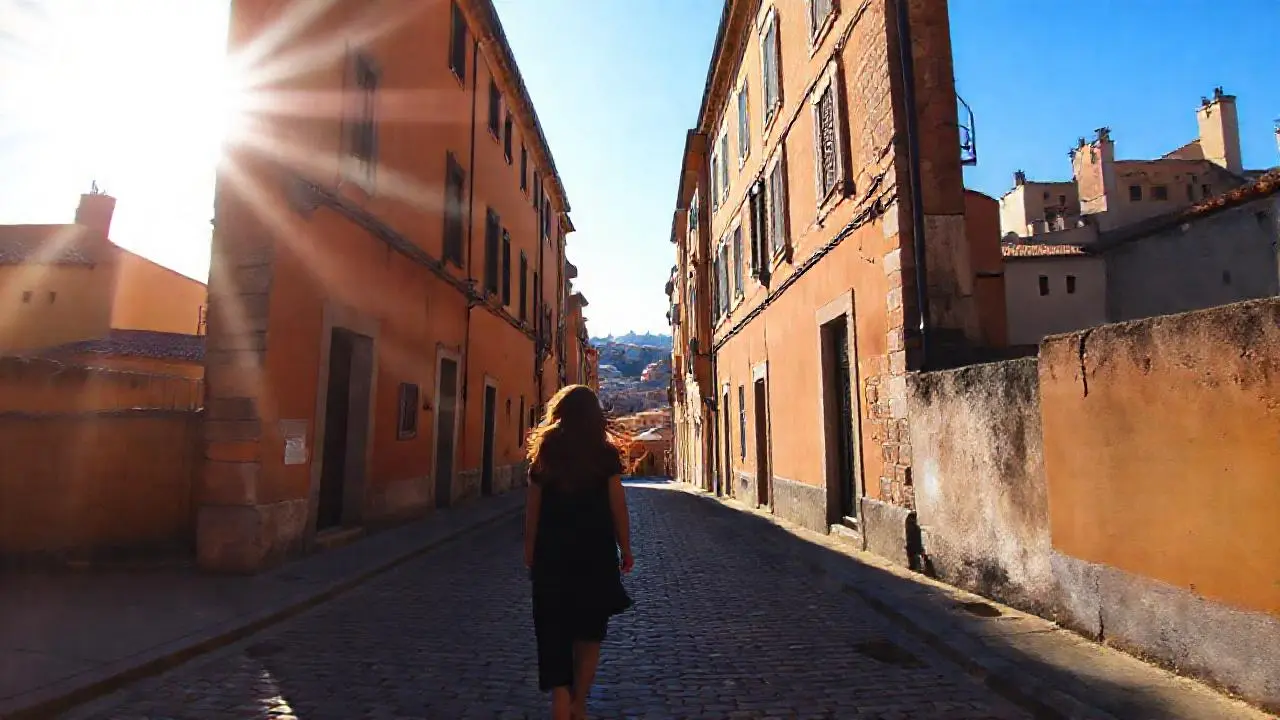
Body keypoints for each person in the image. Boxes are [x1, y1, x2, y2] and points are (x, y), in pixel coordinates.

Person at [524, 384, 634, 720]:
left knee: (553, 628)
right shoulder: (604, 455)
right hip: (595, 556)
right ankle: (579, 701)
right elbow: (618, 507)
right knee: (589, 630)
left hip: (551, 557)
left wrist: (530, 553)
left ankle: (560, 696)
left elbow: (533, 512)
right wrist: (625, 549)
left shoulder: (545, 452)